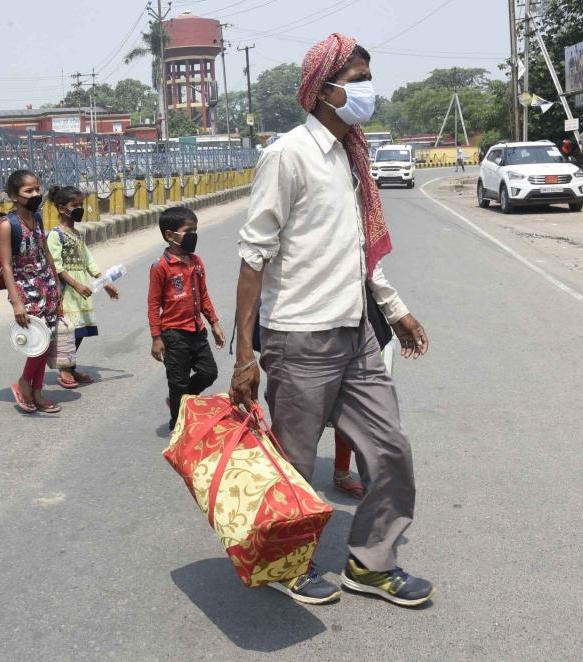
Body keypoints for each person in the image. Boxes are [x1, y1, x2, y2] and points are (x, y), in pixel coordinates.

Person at [230, 33, 433, 607]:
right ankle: (288, 563)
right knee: (294, 465)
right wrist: (246, 356)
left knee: (390, 449)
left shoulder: (351, 154)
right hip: (299, 337)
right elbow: (253, 257)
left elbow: (355, 249)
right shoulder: (288, 155)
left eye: (369, 77)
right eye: (358, 78)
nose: (368, 89)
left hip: (356, 333)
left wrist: (394, 309)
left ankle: (370, 564)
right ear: (324, 90)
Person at [149, 206, 226, 430]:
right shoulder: (160, 267)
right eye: (188, 230)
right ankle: (178, 424)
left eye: (195, 230)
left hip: (197, 331)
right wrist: (156, 337)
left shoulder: (196, 261)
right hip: (174, 334)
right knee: (178, 381)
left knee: (209, 373)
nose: (193, 235)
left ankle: (182, 400)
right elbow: (153, 305)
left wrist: (214, 323)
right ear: (170, 236)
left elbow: (203, 295)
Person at [0, 170, 63, 414]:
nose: (35, 194)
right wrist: (16, 303)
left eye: (37, 189)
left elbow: (45, 251)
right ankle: (25, 382)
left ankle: (37, 392)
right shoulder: (8, 225)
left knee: (44, 342)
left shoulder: (38, 217)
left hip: (45, 285)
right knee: (37, 342)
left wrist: (56, 282)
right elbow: (6, 265)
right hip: (25, 289)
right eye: (29, 191)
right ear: (14, 196)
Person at [46, 185, 119, 389]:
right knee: (69, 330)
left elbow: (88, 260)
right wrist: (76, 284)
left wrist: (105, 283)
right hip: (67, 289)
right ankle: (65, 368)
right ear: (61, 208)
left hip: (80, 288)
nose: (80, 209)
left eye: (81, 205)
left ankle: (70, 365)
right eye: (74, 205)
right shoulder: (55, 235)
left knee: (79, 330)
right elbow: (56, 265)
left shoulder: (77, 234)